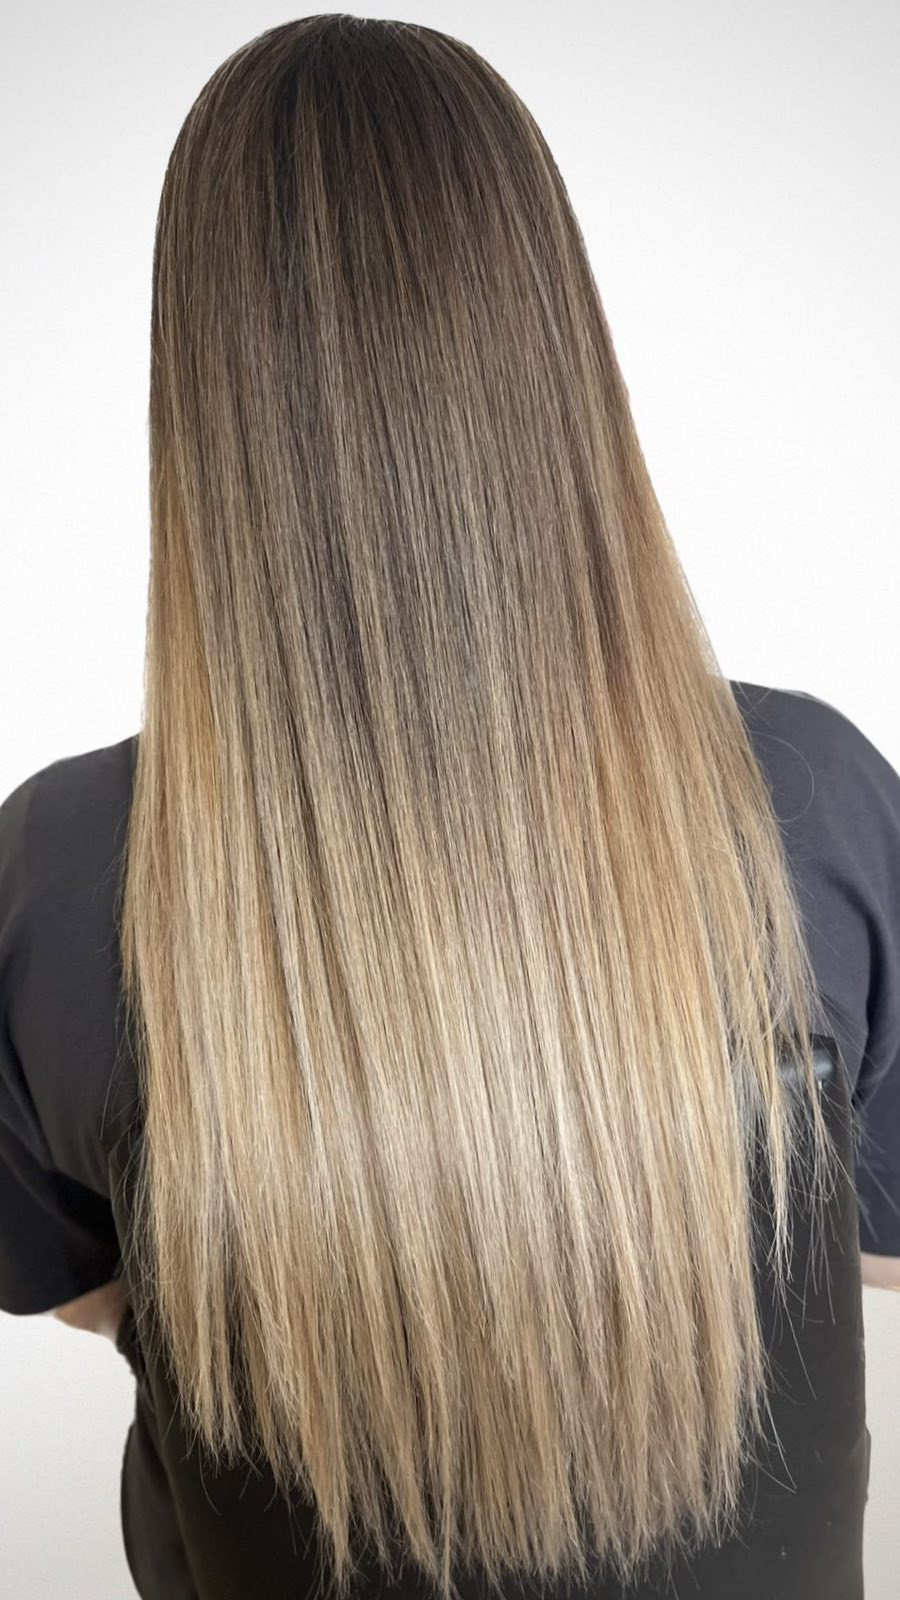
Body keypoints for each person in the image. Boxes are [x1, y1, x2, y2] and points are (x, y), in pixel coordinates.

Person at [1, 16, 898, 1600]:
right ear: (553, 339)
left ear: (200, 391)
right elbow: (871, 1244)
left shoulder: (69, 877)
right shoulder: (810, 804)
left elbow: (72, 1276)